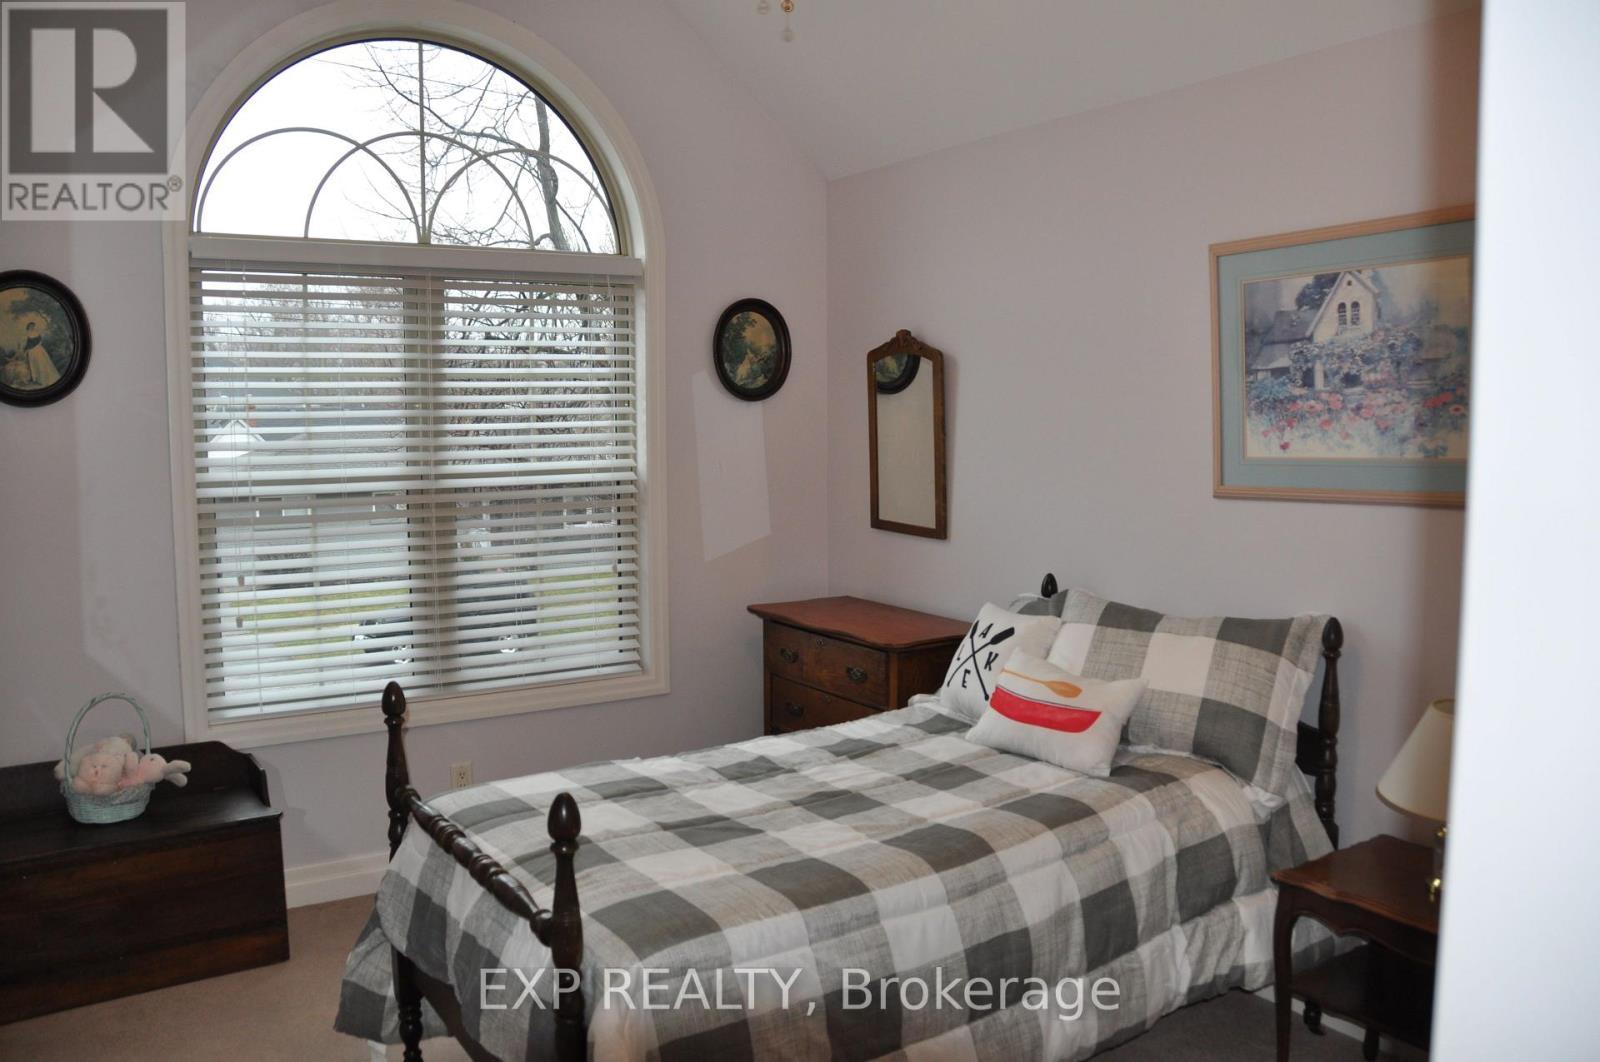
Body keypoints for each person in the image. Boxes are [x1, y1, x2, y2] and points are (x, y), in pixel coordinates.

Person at [19, 319, 61, 389]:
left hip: (38, 350)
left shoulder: (36, 333)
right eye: (30, 326)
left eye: (33, 326)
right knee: (33, 364)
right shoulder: (27, 333)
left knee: (41, 363)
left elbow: (39, 340)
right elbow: (28, 343)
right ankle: (36, 379)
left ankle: (43, 379)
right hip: (31, 351)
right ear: (28, 326)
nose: (32, 327)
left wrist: (36, 346)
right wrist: (25, 349)